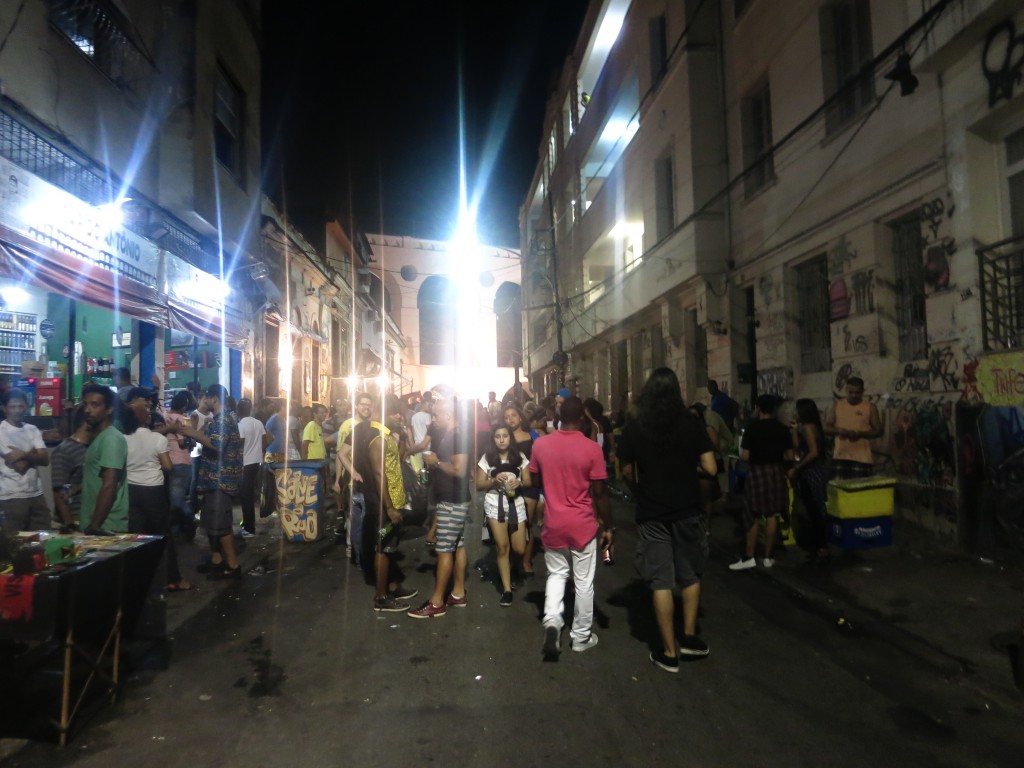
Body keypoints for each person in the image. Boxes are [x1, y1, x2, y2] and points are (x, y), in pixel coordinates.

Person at [619, 369, 717, 672]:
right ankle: (689, 637)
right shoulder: (691, 423)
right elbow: (711, 469)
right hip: (688, 508)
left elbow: (624, 471)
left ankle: (669, 653)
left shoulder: (636, 427)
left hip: (652, 511)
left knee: (661, 580)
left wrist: (641, 489)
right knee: (690, 575)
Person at [529, 396, 612, 657]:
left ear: (558, 417)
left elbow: (533, 477)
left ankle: (553, 621)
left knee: (556, 575)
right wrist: (609, 526)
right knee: (584, 583)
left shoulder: (541, 445)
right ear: (581, 419)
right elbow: (599, 493)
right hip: (583, 526)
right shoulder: (592, 449)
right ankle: (580, 637)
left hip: (553, 523)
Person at [408, 397, 472, 619]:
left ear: (448, 415)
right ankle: (458, 593)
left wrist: (435, 462)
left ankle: (436, 602)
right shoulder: (450, 435)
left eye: (436, 415)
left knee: (444, 549)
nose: (432, 419)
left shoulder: (456, 436)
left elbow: (459, 470)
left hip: (452, 500)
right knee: (458, 545)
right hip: (454, 498)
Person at [123, 387, 192, 591]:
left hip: (131, 490)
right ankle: (173, 578)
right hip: (153, 491)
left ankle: (138, 579)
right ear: (147, 420)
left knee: (136, 535)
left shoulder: (123, 439)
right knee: (162, 535)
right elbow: (168, 466)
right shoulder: (158, 439)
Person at [178, 384, 244, 578]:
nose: (202, 400)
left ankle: (232, 565)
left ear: (214, 398)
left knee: (220, 523)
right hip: (212, 478)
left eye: (205, 397)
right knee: (211, 522)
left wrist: (192, 433)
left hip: (220, 480)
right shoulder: (221, 418)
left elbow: (217, 444)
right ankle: (217, 559)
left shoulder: (224, 419)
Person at [361, 396, 418, 611]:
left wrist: (403, 438)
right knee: (383, 548)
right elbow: (379, 473)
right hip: (382, 505)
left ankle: (392, 586)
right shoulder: (377, 438)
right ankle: (381, 597)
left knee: (390, 546)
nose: (400, 417)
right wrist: (390, 507)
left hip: (390, 502)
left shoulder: (386, 436)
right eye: (396, 413)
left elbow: (398, 460)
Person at [729, 395, 794, 571]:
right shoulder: (782, 429)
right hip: (776, 472)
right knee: (772, 514)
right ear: (773, 409)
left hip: (757, 472)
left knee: (752, 514)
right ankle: (767, 557)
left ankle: (749, 557)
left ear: (758, 409)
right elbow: (789, 456)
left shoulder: (752, 428)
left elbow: (745, 456)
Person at [476, 424, 531, 606]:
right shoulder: (487, 458)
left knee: (519, 549)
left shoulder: (519, 457)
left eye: (505, 436)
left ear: (510, 438)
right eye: (497, 436)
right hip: (494, 504)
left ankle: (514, 567)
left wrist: (519, 483)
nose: (501, 439)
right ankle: (506, 589)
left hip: (516, 504)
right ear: (493, 439)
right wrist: (493, 480)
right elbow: (478, 485)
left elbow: (529, 482)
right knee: (502, 547)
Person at [0, 388, 52, 535]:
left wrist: (23, 454)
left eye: (20, 406)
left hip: (36, 494)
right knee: (13, 545)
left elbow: (45, 459)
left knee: (42, 540)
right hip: (11, 497)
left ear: (26, 406)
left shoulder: (32, 429)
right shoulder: (1, 432)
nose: (17, 410)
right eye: (12, 407)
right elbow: (20, 466)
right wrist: (34, 453)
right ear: (5, 409)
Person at [79, 383, 130, 534]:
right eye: (85, 404)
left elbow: (109, 484)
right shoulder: (100, 438)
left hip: (106, 527)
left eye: (95, 405)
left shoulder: (111, 438)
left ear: (109, 409)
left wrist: (95, 525)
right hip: (97, 525)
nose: (87, 410)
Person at [788, 398, 829, 563]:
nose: (794, 412)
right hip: (810, 472)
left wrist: (797, 468)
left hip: (811, 472)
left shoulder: (808, 428)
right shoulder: (807, 427)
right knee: (812, 507)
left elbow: (813, 453)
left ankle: (822, 545)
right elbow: (799, 446)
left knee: (815, 508)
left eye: (797, 410)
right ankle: (819, 542)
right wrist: (793, 430)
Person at [504, 404, 542, 577]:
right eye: (506, 417)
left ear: (520, 417)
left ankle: (526, 561)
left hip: (530, 486)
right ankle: (512, 560)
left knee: (526, 523)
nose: (510, 419)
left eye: (513, 415)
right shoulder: (503, 438)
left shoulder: (533, 436)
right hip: (509, 486)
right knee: (511, 524)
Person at [825, 376, 883, 478]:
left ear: (862, 392)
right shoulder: (837, 405)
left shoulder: (870, 407)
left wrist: (860, 434)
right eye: (850, 392)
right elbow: (827, 428)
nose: (853, 395)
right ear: (846, 390)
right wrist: (839, 431)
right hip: (840, 455)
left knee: (860, 492)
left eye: (857, 393)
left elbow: (878, 431)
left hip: (862, 458)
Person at [50, 404, 92, 530]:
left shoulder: (95, 447)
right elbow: (60, 492)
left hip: (91, 518)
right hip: (75, 520)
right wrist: (70, 524)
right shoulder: (64, 451)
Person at [164, 390, 197, 540]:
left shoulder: (164, 417)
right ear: (184, 406)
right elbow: (185, 442)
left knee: (173, 499)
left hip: (168, 462)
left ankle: (176, 530)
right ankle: (189, 522)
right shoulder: (184, 420)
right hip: (182, 462)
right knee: (178, 499)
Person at [237, 398, 269, 538]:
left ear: (238, 410)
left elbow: (239, 445)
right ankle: (247, 524)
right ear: (250, 409)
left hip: (245, 463)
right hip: (257, 462)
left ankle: (249, 528)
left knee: (246, 497)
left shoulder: (240, 425)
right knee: (251, 495)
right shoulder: (258, 423)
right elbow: (266, 440)